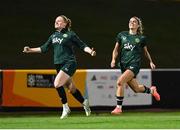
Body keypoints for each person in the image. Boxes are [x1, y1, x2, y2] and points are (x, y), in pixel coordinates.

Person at [23, 15, 96, 119]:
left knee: (57, 83)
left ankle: (65, 107)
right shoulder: (53, 36)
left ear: (65, 24)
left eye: (59, 21)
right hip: (58, 64)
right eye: (56, 21)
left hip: (69, 63)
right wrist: (30, 50)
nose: (56, 22)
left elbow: (82, 45)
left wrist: (90, 51)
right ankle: (85, 102)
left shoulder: (70, 34)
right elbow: (43, 48)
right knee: (71, 89)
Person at [110, 16, 160, 114]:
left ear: (138, 25)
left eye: (134, 22)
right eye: (130, 21)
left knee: (120, 82)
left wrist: (151, 61)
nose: (131, 23)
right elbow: (116, 49)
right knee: (136, 89)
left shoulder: (141, 38)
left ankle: (118, 108)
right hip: (123, 65)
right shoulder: (122, 35)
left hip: (134, 64)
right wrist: (113, 59)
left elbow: (145, 52)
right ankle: (152, 91)